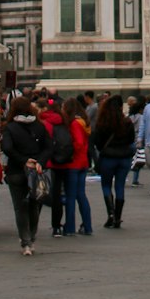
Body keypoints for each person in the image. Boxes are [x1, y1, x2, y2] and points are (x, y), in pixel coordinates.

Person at [0, 96, 52, 255]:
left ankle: (25, 242)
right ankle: (32, 236)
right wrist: (39, 162)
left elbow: (7, 148)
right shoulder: (39, 126)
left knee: (20, 207)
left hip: (17, 170)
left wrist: (23, 160)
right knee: (34, 205)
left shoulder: (10, 127)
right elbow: (49, 147)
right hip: (36, 171)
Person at [92, 94, 135, 229]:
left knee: (106, 185)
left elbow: (97, 142)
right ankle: (118, 216)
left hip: (108, 158)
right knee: (120, 186)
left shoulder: (103, 122)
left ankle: (111, 213)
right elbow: (131, 140)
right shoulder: (127, 122)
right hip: (124, 158)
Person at [59, 97, 93, 235]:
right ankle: (87, 225)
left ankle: (70, 227)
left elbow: (78, 143)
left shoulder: (74, 124)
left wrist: (67, 150)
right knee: (80, 195)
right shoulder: (83, 122)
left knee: (71, 196)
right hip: (83, 162)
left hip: (74, 163)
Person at [39, 95, 68, 238]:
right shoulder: (63, 121)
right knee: (57, 196)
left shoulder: (44, 123)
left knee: (39, 193)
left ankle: (33, 226)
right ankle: (57, 226)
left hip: (46, 163)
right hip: (61, 162)